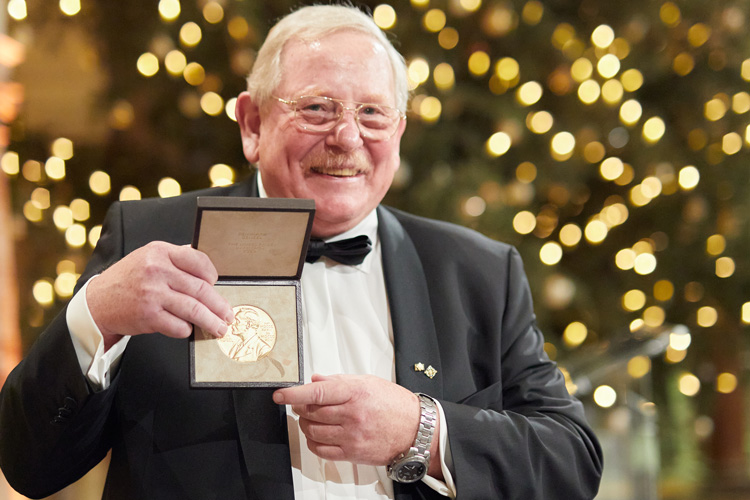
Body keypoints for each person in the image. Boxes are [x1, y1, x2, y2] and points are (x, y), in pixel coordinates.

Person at [0, 4, 602, 499]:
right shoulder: (152, 240)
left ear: (398, 131)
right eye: (317, 107)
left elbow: (571, 462)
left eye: (372, 113)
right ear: (252, 123)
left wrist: (421, 431)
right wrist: (95, 316)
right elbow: (30, 466)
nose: (346, 137)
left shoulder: (477, 271)